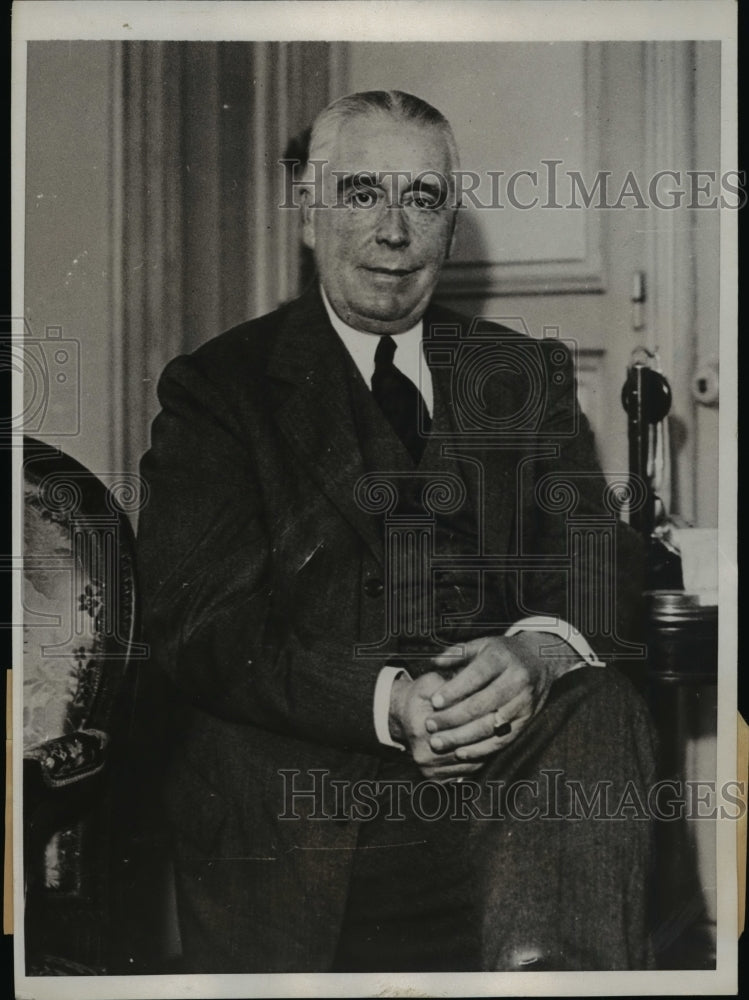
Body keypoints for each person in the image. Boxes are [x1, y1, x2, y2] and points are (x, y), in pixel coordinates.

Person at [136, 90, 656, 973]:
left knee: (599, 702)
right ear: (307, 213)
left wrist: (536, 653)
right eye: (361, 193)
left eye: (422, 199)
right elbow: (201, 626)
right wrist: (391, 703)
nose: (392, 231)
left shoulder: (521, 372)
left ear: (449, 226)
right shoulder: (220, 389)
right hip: (308, 813)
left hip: (509, 793)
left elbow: (595, 562)